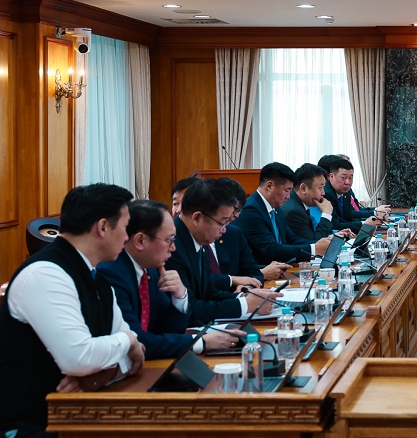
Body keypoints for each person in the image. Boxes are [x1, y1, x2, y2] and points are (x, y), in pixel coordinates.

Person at [0, 184, 145, 437]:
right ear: (102, 227)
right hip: (30, 424)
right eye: (125, 227)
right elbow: (80, 358)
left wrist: (98, 376)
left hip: (75, 416)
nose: (126, 237)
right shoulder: (45, 274)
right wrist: (128, 340)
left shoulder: (99, 281)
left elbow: (133, 359)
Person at [98, 199, 240, 360]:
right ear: (140, 241)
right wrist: (201, 342)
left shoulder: (151, 269)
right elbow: (137, 342)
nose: (173, 248)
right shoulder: (111, 273)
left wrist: (180, 297)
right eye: (169, 240)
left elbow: (167, 330)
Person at [166, 179, 280, 326]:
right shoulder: (172, 247)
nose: (224, 230)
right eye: (222, 223)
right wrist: (245, 305)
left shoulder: (197, 239)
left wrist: (243, 297)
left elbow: (209, 292)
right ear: (197, 218)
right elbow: (190, 308)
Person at [234, 162, 332, 264]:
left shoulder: (275, 208)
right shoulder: (250, 211)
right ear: (269, 186)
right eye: (286, 190)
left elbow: (291, 239)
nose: (288, 196)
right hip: (263, 270)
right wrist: (314, 249)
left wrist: (322, 244)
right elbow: (271, 249)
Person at [212, 177, 287, 284]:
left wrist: (245, 287)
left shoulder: (234, 233)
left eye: (239, 210)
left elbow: (250, 270)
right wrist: (235, 284)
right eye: (235, 209)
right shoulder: (198, 240)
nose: (237, 216)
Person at [281, 163, 353, 241]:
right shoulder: (294, 211)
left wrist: (332, 236)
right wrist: (326, 214)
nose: (323, 193)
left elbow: (311, 237)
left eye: (323, 188)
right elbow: (314, 243)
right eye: (320, 188)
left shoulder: (298, 204)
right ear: (303, 189)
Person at [320, 157, 386, 234]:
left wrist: (374, 220)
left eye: (350, 178)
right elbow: (335, 225)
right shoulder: (326, 194)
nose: (347, 182)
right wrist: (365, 224)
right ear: (331, 177)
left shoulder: (346, 192)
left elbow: (349, 219)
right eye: (343, 178)